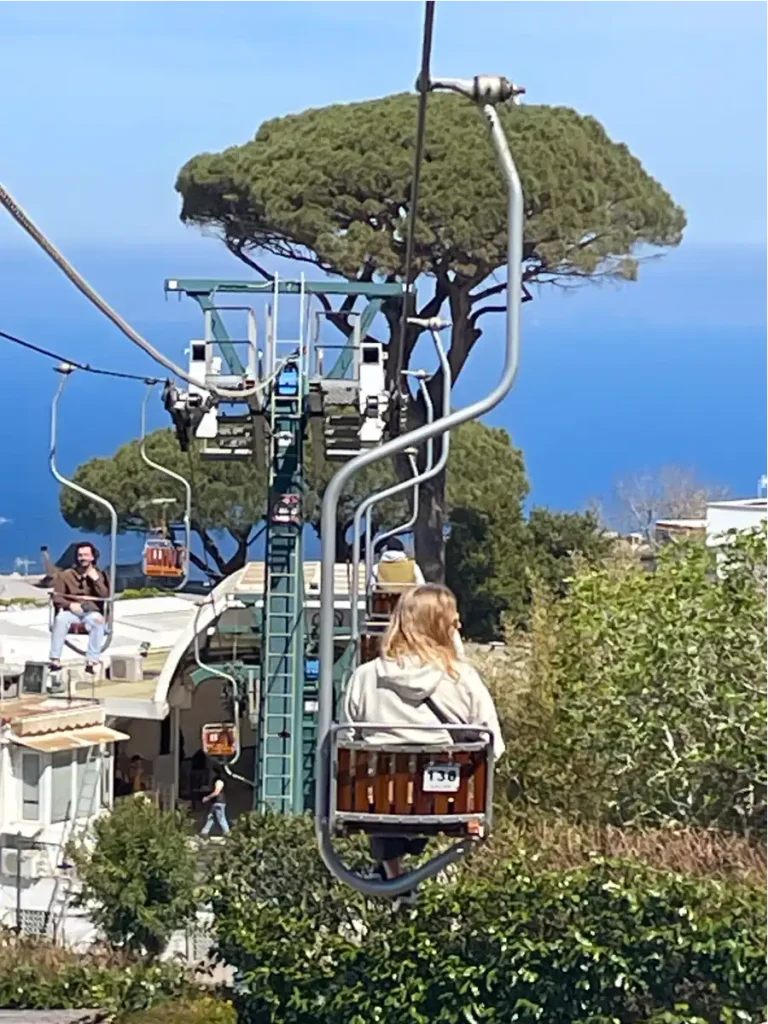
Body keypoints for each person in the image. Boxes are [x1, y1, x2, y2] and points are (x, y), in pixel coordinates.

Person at [342, 583, 504, 900]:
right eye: (453, 620)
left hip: (378, 804)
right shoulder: (462, 678)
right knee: (436, 781)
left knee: (382, 785)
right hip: (444, 801)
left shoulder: (365, 676)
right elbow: (493, 744)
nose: (459, 625)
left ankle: (393, 872)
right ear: (440, 626)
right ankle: (404, 881)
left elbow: (347, 739)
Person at [49, 542, 109, 675]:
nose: (83, 558)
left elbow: (105, 596)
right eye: (80, 555)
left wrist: (96, 580)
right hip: (72, 612)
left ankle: (92, 661)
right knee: (60, 619)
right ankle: (55, 660)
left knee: (97, 621)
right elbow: (57, 597)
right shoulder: (66, 575)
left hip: (91, 612)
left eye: (86, 555)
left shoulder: (101, 575)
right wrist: (70, 605)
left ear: (93, 557)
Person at [200, 767, 230, 837]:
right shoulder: (216, 781)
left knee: (221, 818)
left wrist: (207, 797)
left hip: (218, 802)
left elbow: (216, 792)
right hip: (216, 802)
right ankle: (204, 832)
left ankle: (227, 832)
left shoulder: (219, 782)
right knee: (211, 817)